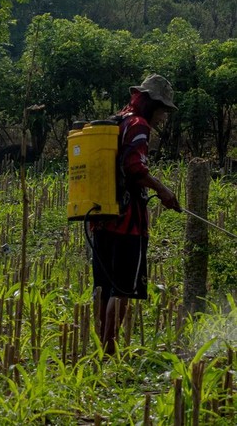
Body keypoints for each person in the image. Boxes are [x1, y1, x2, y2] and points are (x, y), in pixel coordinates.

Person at [90, 74, 182, 355]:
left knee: (103, 286)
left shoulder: (118, 120)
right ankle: (109, 352)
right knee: (123, 289)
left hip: (101, 216)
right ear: (151, 104)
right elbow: (134, 167)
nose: (163, 117)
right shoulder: (139, 125)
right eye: (163, 110)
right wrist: (163, 190)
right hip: (127, 221)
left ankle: (100, 349)